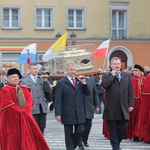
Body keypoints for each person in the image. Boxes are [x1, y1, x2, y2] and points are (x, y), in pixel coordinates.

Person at [0, 68, 50, 150]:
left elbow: (29, 100)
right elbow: (8, 104)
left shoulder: (24, 88)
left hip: (26, 117)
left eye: (17, 76)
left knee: (31, 136)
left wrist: (25, 111)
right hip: (12, 120)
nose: (16, 78)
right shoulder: (5, 90)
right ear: (8, 78)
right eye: (13, 77)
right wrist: (21, 112)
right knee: (13, 140)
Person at [54, 60, 90, 150]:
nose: (73, 71)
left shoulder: (79, 81)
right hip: (67, 112)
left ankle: (72, 145)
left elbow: (87, 93)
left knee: (80, 130)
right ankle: (70, 148)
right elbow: (58, 99)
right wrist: (57, 113)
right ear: (66, 70)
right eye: (71, 70)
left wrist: (84, 83)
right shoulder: (61, 82)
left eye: (74, 69)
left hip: (79, 111)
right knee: (68, 133)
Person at [101, 57, 134, 150]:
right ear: (111, 65)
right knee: (113, 130)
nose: (117, 66)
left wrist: (131, 104)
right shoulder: (106, 75)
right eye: (115, 64)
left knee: (123, 127)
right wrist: (113, 76)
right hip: (111, 108)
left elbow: (130, 91)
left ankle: (116, 144)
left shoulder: (126, 75)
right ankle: (116, 147)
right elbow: (105, 85)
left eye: (118, 64)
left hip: (123, 107)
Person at [21, 63, 51, 133]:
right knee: (34, 126)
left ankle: (41, 138)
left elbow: (48, 89)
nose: (36, 70)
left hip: (42, 105)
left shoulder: (41, 78)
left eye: (36, 69)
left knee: (42, 125)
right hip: (32, 106)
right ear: (29, 70)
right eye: (34, 69)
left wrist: (45, 81)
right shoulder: (24, 81)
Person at [78, 77, 100, 150]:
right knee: (79, 126)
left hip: (89, 105)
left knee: (88, 125)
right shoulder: (76, 79)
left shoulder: (91, 80)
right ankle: (79, 142)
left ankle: (85, 140)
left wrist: (97, 105)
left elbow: (95, 93)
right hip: (79, 106)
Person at [126, 64, 145, 141]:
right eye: (133, 70)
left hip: (142, 102)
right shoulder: (131, 80)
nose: (134, 72)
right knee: (133, 118)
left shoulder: (145, 79)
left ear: (140, 71)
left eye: (136, 70)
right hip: (133, 102)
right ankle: (134, 135)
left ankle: (141, 134)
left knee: (141, 119)